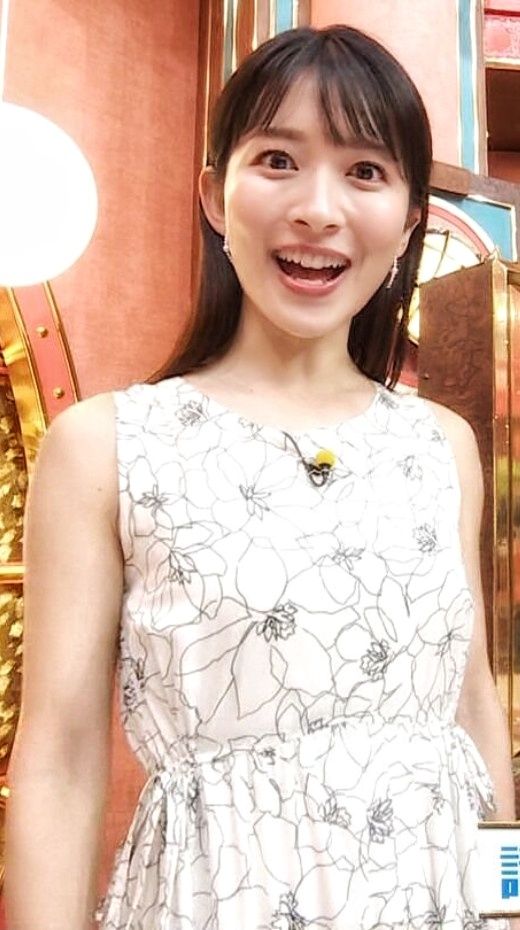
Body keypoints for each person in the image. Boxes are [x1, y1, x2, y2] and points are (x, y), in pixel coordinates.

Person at [5, 24, 515, 930]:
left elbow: (470, 707)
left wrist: (507, 906)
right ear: (215, 195)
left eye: (365, 171)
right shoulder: (107, 445)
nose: (319, 209)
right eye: (279, 160)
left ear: (408, 220)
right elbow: (61, 760)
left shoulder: (441, 446)